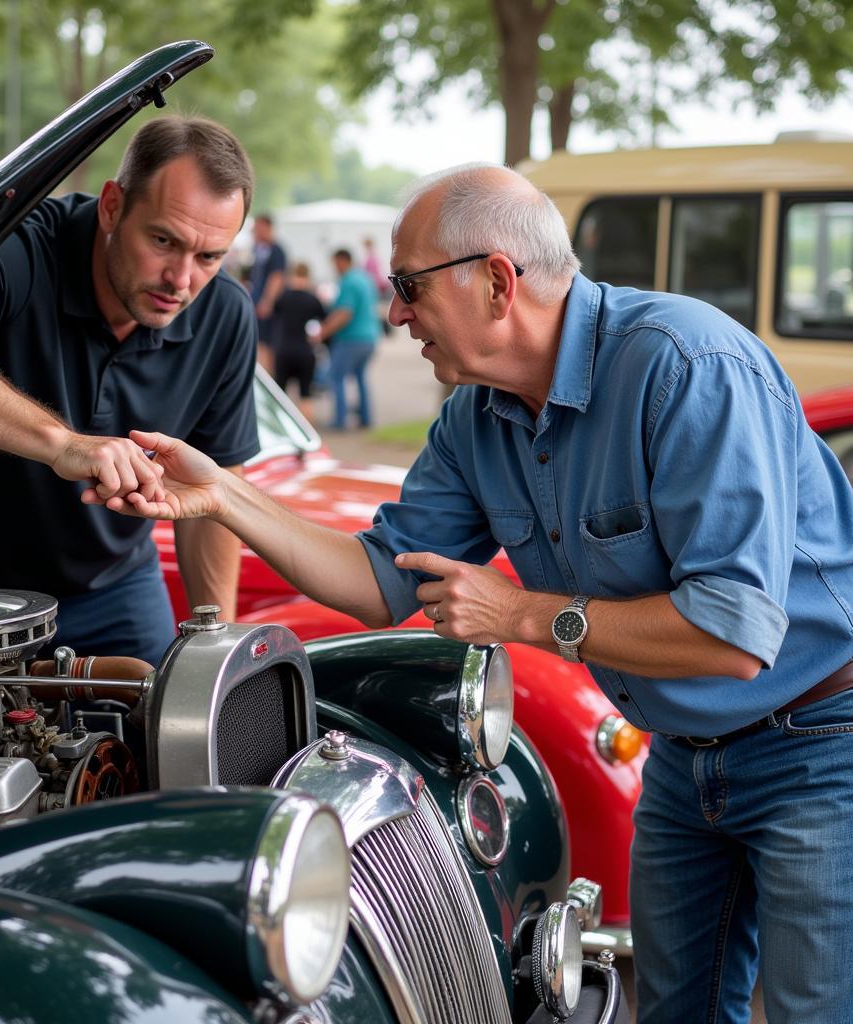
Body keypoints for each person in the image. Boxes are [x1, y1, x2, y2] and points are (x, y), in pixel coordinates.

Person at [102, 162, 853, 1024]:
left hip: (820, 743)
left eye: (409, 286)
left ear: (497, 281)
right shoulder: (476, 416)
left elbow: (733, 633)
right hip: (686, 754)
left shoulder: (686, 363)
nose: (394, 314)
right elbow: (383, 582)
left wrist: (521, 614)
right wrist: (222, 495)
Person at [0, 116, 260, 667]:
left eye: (210, 257)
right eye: (164, 241)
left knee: (161, 743)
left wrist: (216, 650)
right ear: (113, 205)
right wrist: (64, 443)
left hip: (115, 590)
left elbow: (214, 495)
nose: (181, 279)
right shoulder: (20, 244)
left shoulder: (226, 315)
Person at [319, 248, 380, 430]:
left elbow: (344, 313)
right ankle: (365, 417)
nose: (335, 268)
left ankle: (339, 420)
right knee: (361, 377)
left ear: (342, 261)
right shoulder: (365, 278)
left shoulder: (348, 281)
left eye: (335, 264)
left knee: (336, 377)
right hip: (369, 337)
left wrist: (323, 331)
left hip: (351, 338)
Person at [271, 262, 326, 422]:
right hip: (305, 351)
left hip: (283, 350)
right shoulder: (313, 299)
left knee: (280, 393)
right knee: (306, 394)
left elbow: (274, 313)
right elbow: (322, 322)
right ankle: (307, 433)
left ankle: (279, 427)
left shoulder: (283, 297)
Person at [248, 213, 286, 371]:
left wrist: (267, 301)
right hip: (257, 302)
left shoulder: (276, 250)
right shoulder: (260, 249)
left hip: (266, 307)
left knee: (265, 346)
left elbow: (277, 277)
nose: (256, 231)